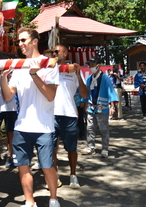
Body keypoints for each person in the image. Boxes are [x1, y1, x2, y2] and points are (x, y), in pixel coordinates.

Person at [0, 27, 60, 207]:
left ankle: (53, 198)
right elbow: (9, 96)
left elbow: (50, 95)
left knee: (47, 166)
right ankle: (29, 201)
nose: (20, 44)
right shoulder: (19, 66)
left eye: (23, 40)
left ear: (34, 41)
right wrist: (3, 78)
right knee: (23, 166)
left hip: (44, 126)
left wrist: (34, 74)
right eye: (18, 41)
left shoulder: (49, 63)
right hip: (22, 126)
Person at [51, 45, 88, 189]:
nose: (54, 53)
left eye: (57, 51)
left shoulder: (73, 70)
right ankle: (55, 175)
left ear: (65, 53)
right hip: (50, 115)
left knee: (71, 148)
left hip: (69, 114)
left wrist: (78, 75)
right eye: (53, 52)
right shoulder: (48, 69)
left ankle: (73, 175)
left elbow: (84, 94)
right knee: (52, 148)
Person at [81, 57, 118, 158]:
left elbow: (110, 91)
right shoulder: (89, 78)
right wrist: (84, 104)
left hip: (103, 107)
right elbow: (86, 92)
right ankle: (90, 147)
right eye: (90, 65)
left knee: (104, 129)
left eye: (92, 65)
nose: (90, 67)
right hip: (91, 107)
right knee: (89, 128)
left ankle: (105, 148)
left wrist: (112, 106)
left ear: (98, 65)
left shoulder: (105, 78)